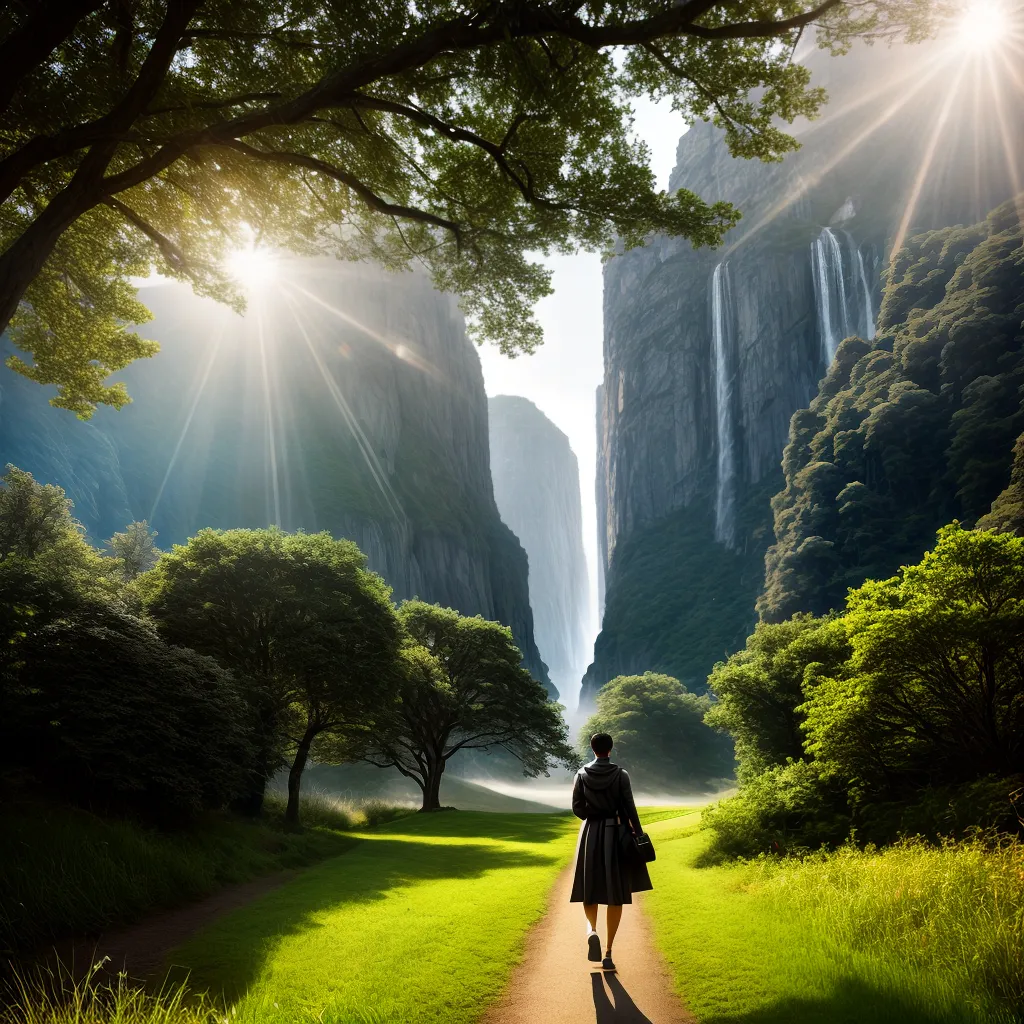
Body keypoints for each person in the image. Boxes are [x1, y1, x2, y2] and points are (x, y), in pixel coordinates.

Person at [570, 732, 652, 971]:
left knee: (589, 887)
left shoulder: (581, 774)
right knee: (615, 892)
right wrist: (638, 833)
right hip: (616, 833)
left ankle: (591, 931)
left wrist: (592, 818)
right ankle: (608, 953)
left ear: (592, 748)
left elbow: (577, 808)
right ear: (611, 748)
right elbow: (630, 807)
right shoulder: (620, 774)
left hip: (590, 834)